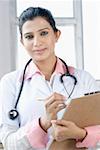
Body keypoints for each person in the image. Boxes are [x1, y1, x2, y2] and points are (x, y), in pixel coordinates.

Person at [0, 6, 100, 150]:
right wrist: (43, 122)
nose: (37, 43)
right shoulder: (10, 83)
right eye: (29, 36)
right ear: (22, 41)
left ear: (57, 35)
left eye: (44, 33)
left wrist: (81, 134)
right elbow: (9, 143)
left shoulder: (84, 79)